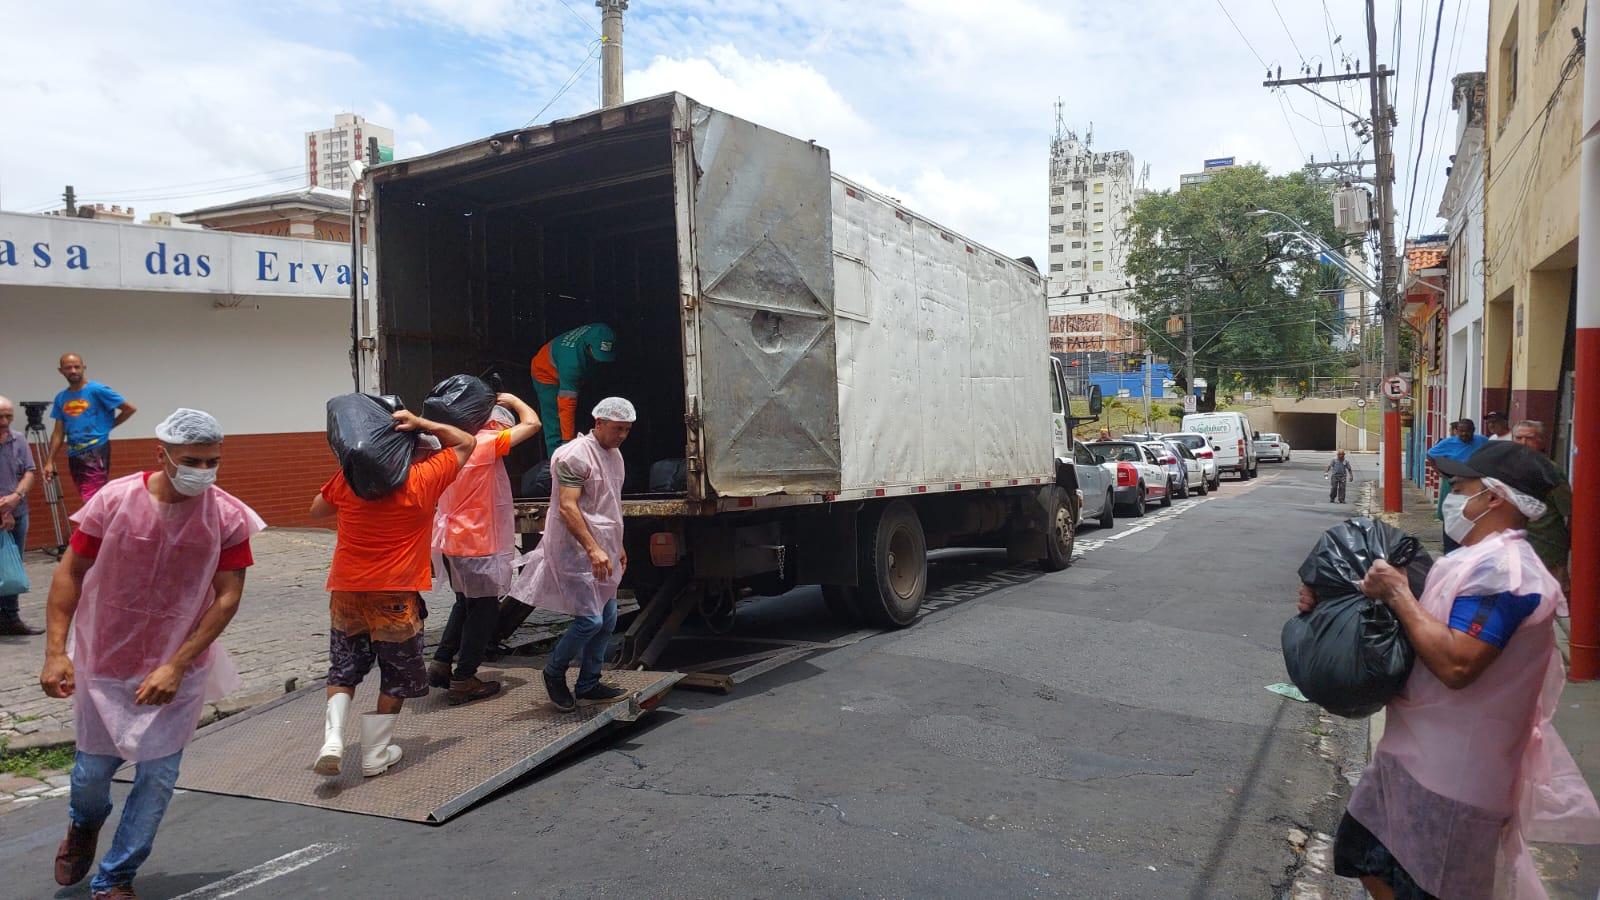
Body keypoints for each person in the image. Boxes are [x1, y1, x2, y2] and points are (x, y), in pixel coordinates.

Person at [1302, 441, 1600, 899]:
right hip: (1412, 755)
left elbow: (1458, 662)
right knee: (1364, 857)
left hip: (1453, 776)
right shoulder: (1475, 561)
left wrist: (1398, 593)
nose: (1449, 497)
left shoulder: (1506, 573)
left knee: (1428, 885)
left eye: (1460, 486)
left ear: (1495, 498)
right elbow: (1427, 624)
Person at [39, 409, 262, 900]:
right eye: (191, 460)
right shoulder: (113, 501)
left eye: (211, 461)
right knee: (91, 776)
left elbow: (228, 595)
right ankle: (83, 826)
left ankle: (116, 876)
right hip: (103, 658)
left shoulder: (227, 516)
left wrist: (177, 664)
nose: (202, 470)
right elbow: (69, 573)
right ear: (159, 455)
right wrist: (56, 652)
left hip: (176, 665)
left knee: (158, 776)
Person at [308, 408, 473, 777]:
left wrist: (347, 478)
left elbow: (316, 509)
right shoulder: (423, 479)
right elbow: (467, 442)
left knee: (343, 667)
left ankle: (333, 739)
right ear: (415, 452)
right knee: (397, 675)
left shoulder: (352, 480)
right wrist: (423, 422)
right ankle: (375, 754)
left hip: (347, 589)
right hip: (395, 596)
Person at [508, 397, 636, 712]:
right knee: (590, 619)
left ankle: (589, 683)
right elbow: (567, 506)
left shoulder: (614, 455)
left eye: (627, 430)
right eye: (617, 428)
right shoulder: (573, 457)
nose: (621, 435)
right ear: (598, 423)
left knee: (608, 617)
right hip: (575, 552)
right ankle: (554, 672)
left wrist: (616, 545)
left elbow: (609, 506)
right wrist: (593, 548)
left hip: (601, 549)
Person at [426, 394, 542, 705]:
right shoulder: (485, 443)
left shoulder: (450, 447)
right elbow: (533, 424)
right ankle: (464, 677)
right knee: (485, 610)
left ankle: (441, 661)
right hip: (476, 543)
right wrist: (517, 400)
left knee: (465, 603)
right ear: (493, 424)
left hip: (450, 540)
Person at [44, 354, 137, 503]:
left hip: (95, 450)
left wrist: (107, 427)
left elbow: (129, 409)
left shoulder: (97, 390)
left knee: (92, 498)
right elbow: (58, 432)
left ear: (83, 368)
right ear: (61, 371)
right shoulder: (61, 397)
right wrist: (49, 461)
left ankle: (97, 525)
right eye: (68, 367)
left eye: (77, 367)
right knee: (87, 495)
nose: (73, 371)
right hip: (74, 452)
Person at [530, 323, 617, 457]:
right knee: (554, 423)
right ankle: (557, 462)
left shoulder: (600, 332)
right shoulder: (571, 362)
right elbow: (566, 404)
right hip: (546, 374)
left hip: (574, 371)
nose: (601, 362)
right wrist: (567, 443)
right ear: (589, 347)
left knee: (581, 415)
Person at [1511, 419, 1572, 593]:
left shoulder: (1550, 471)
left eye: (1529, 438)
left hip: (1546, 547)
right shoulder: (1508, 468)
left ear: (1540, 441)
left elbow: (1569, 510)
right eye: (1518, 438)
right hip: (1516, 545)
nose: (1523, 443)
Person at [0, 396, 41, 635]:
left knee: (12, 566)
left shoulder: (19, 440)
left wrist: (16, 496)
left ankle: (10, 619)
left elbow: (29, 471)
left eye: (9, 416)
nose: (5, 422)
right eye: (0, 417)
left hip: (18, 511)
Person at [1426, 419, 1488, 552]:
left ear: (1474, 430)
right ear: (1456, 431)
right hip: (1454, 481)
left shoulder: (1482, 440)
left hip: (1474, 482)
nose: (1464, 434)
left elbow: (1492, 453)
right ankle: (1450, 548)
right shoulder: (1448, 443)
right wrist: (1440, 473)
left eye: (1468, 431)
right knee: (1451, 513)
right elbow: (1430, 455)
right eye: (1461, 431)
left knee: (1472, 513)